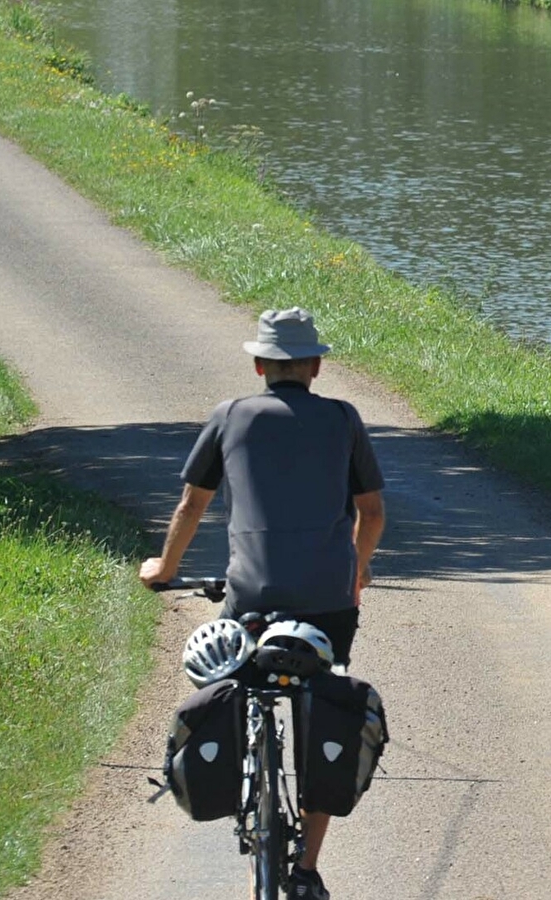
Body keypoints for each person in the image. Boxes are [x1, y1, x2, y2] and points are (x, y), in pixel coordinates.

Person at [139, 307, 386, 900]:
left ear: (259, 365)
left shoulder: (230, 417)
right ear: (316, 367)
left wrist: (163, 569)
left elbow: (191, 506)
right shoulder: (343, 419)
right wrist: (356, 571)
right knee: (322, 702)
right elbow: (372, 513)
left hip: (250, 598)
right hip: (328, 601)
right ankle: (305, 870)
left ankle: (242, 783)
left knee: (238, 685)